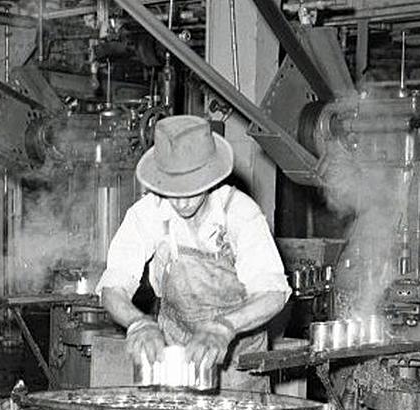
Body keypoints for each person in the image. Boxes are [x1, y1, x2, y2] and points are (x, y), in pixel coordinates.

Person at [97, 115, 291, 391]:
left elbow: (273, 294)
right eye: (174, 190)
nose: (183, 201)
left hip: (237, 364)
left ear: (211, 176)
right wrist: (138, 323)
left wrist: (224, 327)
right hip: (174, 364)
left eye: (193, 188)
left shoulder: (239, 212)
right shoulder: (147, 214)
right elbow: (113, 286)